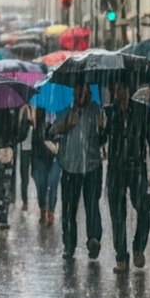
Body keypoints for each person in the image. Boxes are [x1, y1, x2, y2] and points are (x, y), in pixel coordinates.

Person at [102, 80, 150, 273]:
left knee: (144, 208)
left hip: (137, 167)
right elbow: (99, 140)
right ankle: (121, 257)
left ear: (129, 90)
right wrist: (101, 128)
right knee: (117, 214)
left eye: (123, 88)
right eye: (117, 88)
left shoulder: (143, 111)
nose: (120, 92)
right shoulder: (109, 112)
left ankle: (138, 248)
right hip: (116, 169)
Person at [50, 81, 106, 261]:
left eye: (83, 93)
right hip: (69, 167)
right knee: (68, 209)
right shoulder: (66, 111)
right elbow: (51, 133)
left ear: (89, 94)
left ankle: (94, 239)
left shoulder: (97, 111)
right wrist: (66, 125)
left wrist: (103, 129)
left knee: (92, 205)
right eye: (77, 93)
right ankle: (69, 245)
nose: (80, 96)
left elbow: (101, 141)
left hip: (92, 167)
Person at [30, 106, 61, 226]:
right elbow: (35, 135)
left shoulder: (61, 112)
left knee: (53, 183)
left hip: (56, 154)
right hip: (40, 154)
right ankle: (42, 207)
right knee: (41, 184)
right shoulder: (39, 111)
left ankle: (51, 211)